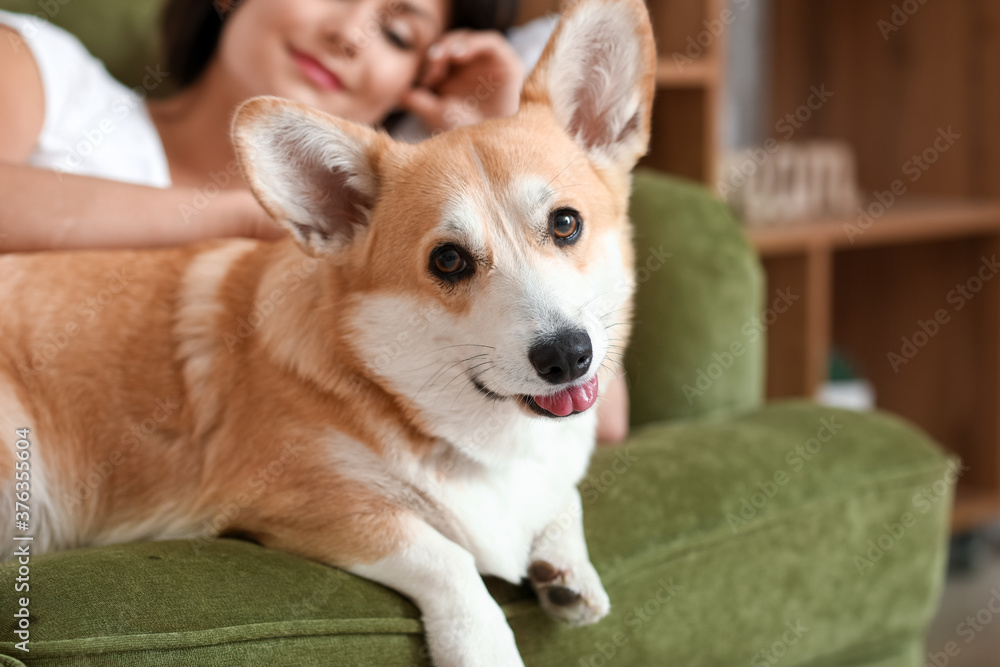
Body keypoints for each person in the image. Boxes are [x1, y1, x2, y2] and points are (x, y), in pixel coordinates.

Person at [0, 0, 629, 442]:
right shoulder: (45, 69)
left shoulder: (385, 236)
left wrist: (491, 141)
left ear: (414, 79)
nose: (351, 34)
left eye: (399, 34)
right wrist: (243, 216)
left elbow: (598, 423)